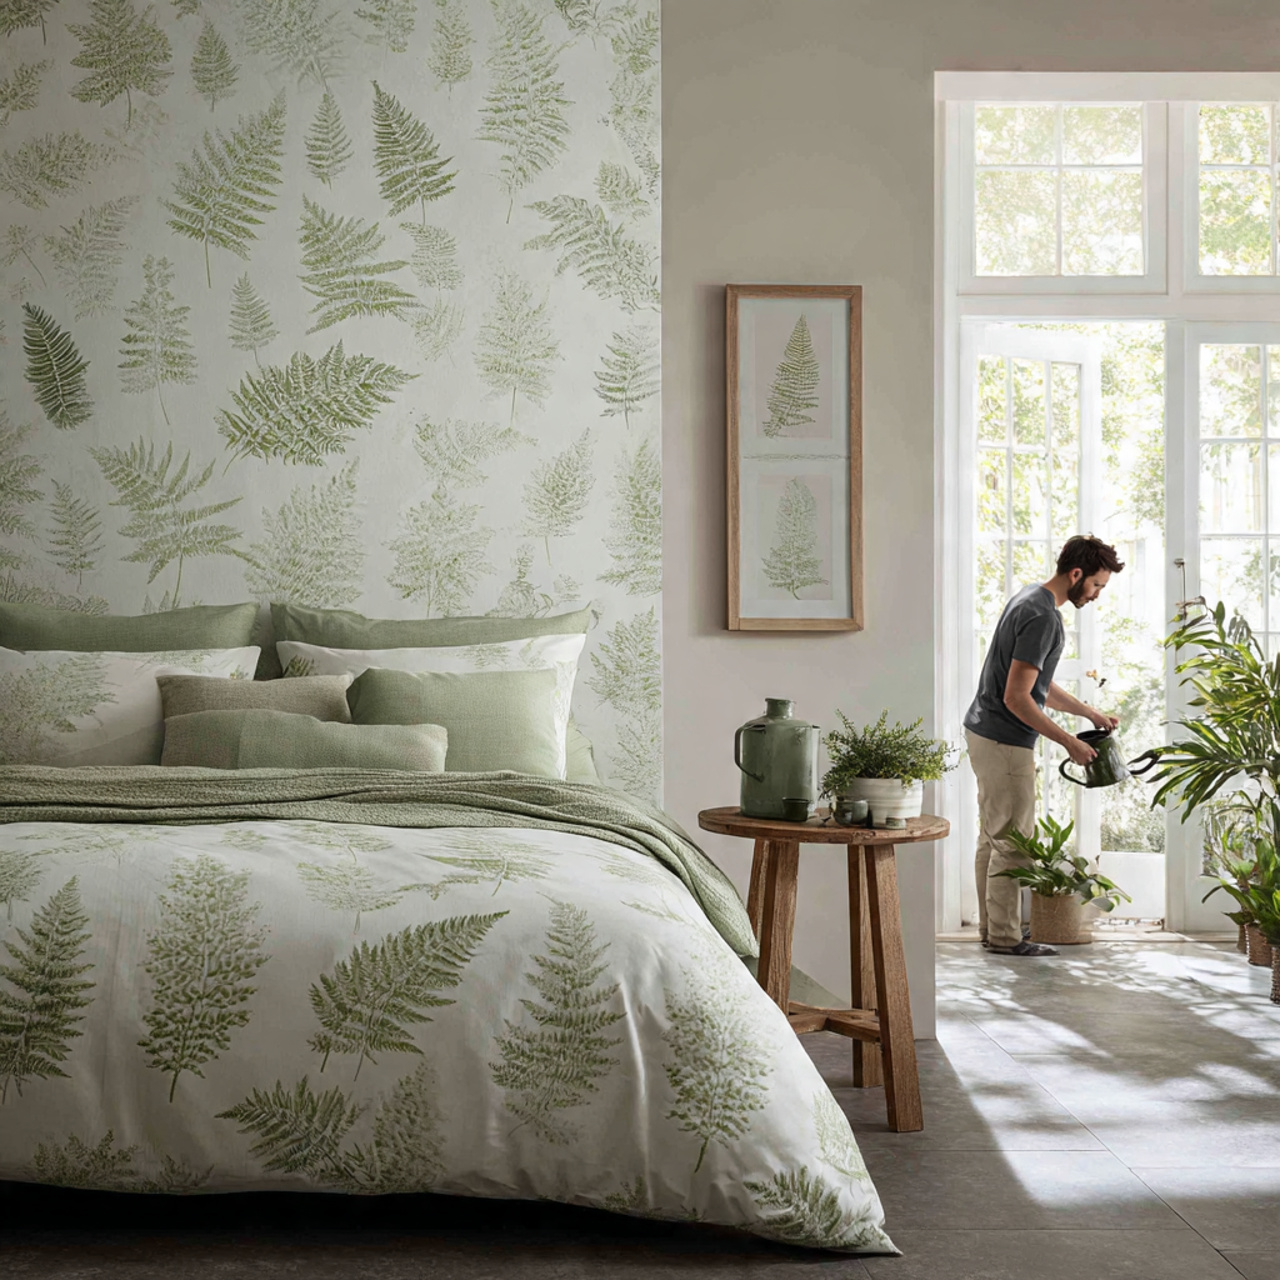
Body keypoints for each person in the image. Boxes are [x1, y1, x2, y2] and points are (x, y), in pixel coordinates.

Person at [963, 535, 1125, 957]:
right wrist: (1070, 742)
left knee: (993, 838)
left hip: (983, 732)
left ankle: (992, 931)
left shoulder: (1029, 598)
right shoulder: (1043, 617)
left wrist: (1088, 713)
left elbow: (1036, 685)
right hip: (1005, 740)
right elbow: (1017, 698)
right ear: (1076, 574)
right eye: (1096, 585)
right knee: (1014, 843)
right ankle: (1005, 939)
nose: (1096, 595)